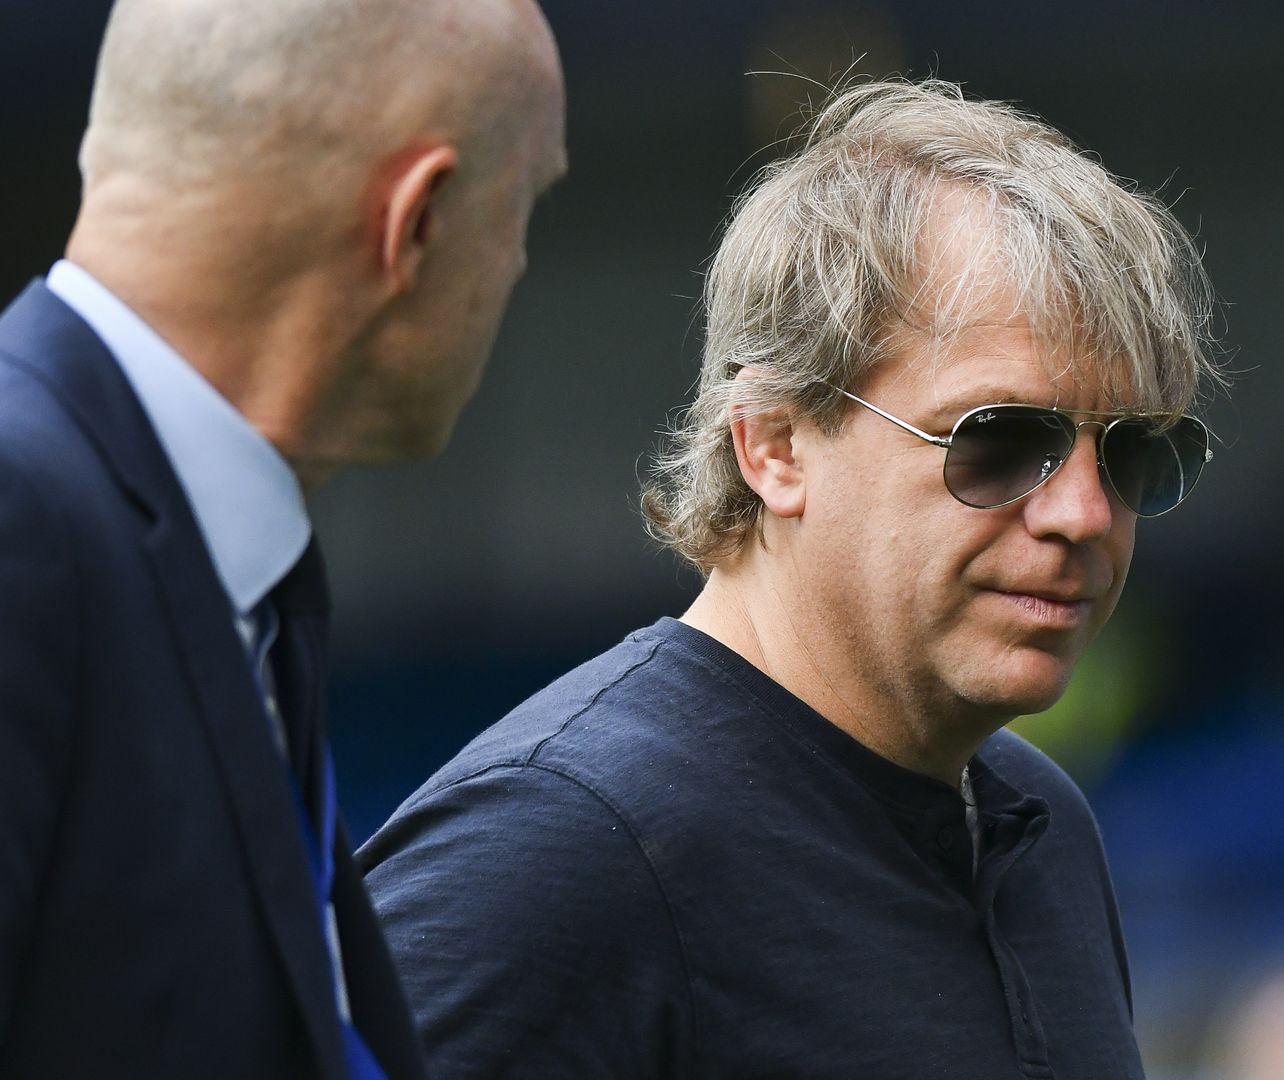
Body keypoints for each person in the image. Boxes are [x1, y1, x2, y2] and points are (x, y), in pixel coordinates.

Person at [361, 78, 1220, 1078]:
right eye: (999, 440)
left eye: (1130, 454)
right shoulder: (558, 849)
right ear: (773, 444)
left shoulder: (1044, 825)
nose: (1081, 513)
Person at [0, 0, 567, 1076]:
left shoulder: (231, 574)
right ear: (420, 220)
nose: (522, 267)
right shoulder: (23, 519)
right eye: (527, 207)